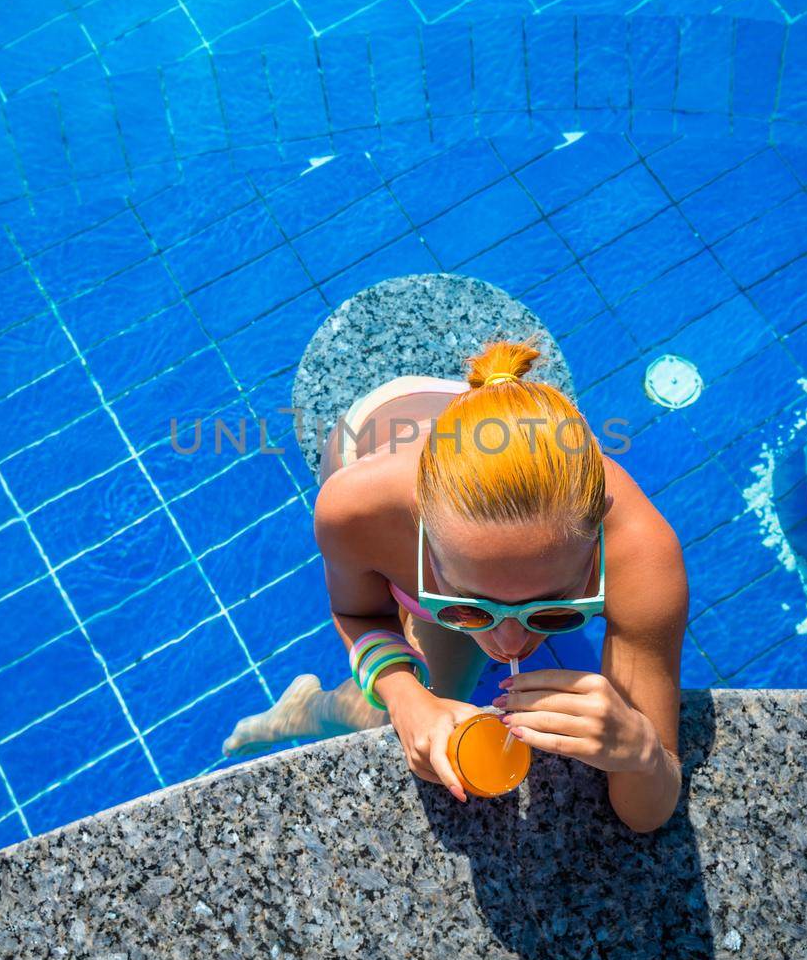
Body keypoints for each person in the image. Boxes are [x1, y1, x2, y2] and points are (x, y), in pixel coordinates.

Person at [223, 338, 686, 833]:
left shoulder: (640, 555)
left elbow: (648, 814)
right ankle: (302, 709)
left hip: (502, 449)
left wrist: (640, 752)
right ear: (421, 541)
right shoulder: (359, 507)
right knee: (372, 720)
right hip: (377, 430)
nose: (509, 646)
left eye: (553, 611)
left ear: (595, 551)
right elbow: (359, 613)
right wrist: (403, 698)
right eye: (467, 609)